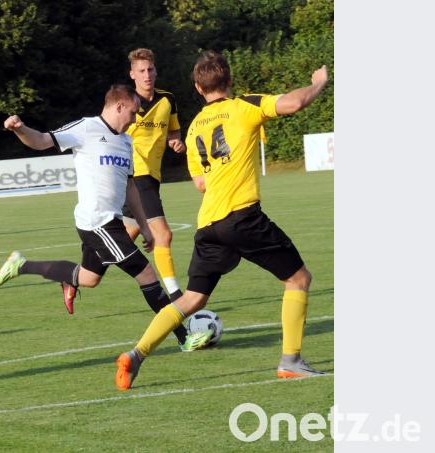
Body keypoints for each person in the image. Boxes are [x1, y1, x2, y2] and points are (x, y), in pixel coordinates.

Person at [115, 51, 329, 390]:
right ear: (229, 80)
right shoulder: (245, 106)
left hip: (208, 224)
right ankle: (291, 361)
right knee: (298, 279)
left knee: (193, 299)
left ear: (199, 88)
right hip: (242, 217)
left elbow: (201, 183)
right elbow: (293, 103)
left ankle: (137, 353)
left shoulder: (195, 127)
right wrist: (318, 83)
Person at [0, 84, 214, 353]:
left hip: (111, 221)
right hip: (97, 222)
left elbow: (131, 187)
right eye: (132, 113)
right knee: (145, 273)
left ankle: (21, 265)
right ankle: (183, 337)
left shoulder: (126, 141)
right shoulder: (85, 128)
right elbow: (41, 140)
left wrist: (144, 226)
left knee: (87, 278)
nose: (134, 120)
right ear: (118, 106)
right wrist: (19, 129)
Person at [120, 48, 191, 347]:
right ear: (132, 74)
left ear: (155, 71)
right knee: (163, 235)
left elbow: (174, 134)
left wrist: (178, 144)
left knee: (122, 240)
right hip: (133, 176)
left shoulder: (168, 99)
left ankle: (76, 276)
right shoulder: (125, 101)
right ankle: (176, 296)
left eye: (151, 69)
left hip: (153, 176)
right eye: (142, 70)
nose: (147, 75)